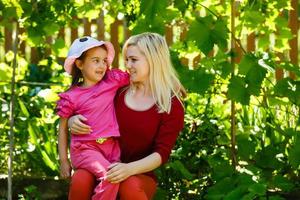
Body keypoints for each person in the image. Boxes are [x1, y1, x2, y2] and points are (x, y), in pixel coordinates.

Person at [68, 32, 185, 200]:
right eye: (127, 60)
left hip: (138, 175)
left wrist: (128, 169)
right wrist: (73, 119)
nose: (128, 65)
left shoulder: (170, 104)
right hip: (101, 166)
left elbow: (161, 154)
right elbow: (84, 99)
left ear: (154, 60)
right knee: (81, 178)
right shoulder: (117, 90)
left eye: (134, 60)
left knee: (129, 184)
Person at [56, 36, 129, 200]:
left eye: (104, 61)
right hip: (85, 149)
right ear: (80, 64)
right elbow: (62, 129)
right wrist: (63, 161)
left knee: (117, 178)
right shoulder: (71, 96)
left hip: (111, 148)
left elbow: (137, 79)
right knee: (111, 176)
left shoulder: (111, 81)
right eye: (95, 60)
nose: (102, 65)